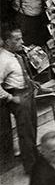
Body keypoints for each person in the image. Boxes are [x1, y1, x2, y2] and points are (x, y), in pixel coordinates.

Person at [0, 26, 38, 174]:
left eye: (21, 38)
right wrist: (11, 98)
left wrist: (32, 83)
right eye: (17, 39)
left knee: (32, 128)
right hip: (19, 97)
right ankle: (30, 166)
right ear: (7, 41)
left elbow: (19, 74)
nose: (21, 42)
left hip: (28, 93)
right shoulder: (3, 59)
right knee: (25, 133)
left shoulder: (17, 55)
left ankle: (34, 158)